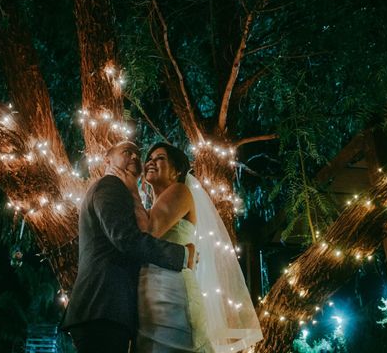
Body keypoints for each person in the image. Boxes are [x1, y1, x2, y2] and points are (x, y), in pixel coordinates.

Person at [61, 141, 195, 353]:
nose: (136, 157)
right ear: (108, 161)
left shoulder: (176, 192)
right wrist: (182, 254)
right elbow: (126, 239)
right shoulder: (110, 186)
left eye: (137, 154)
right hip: (103, 307)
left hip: (121, 307)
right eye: (127, 152)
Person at [129, 142, 263, 353]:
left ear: (177, 170)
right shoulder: (152, 207)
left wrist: (129, 183)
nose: (151, 162)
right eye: (150, 158)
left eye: (160, 158)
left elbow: (149, 232)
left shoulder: (179, 191)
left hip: (172, 294)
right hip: (150, 295)